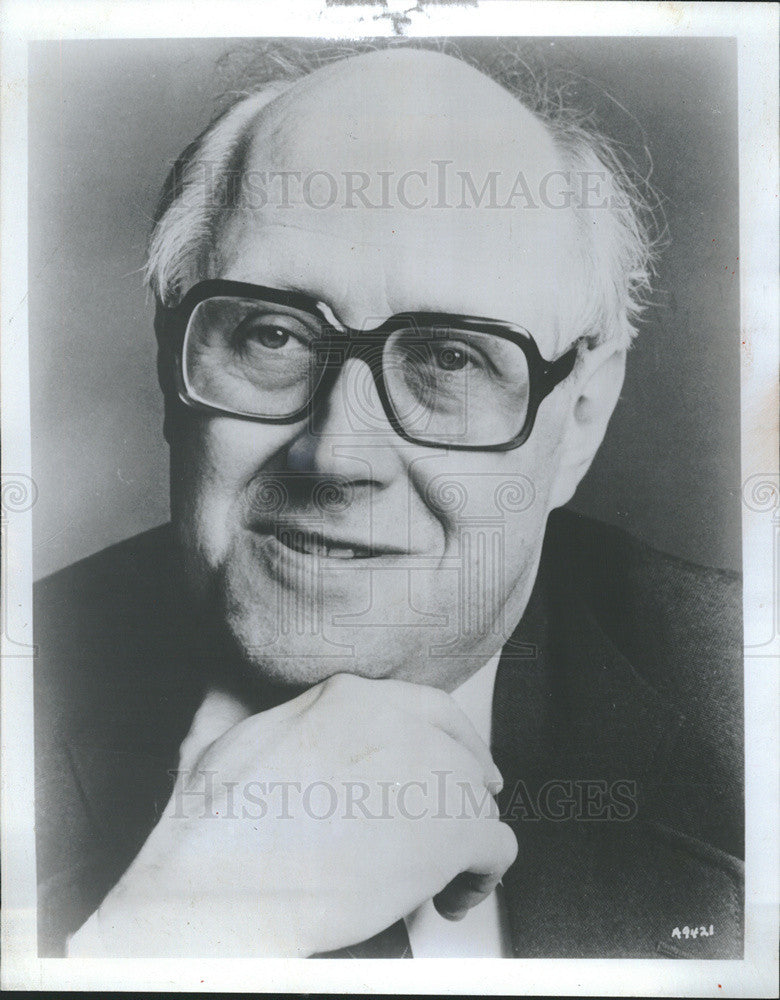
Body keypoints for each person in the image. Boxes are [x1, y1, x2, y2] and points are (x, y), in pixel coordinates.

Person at [34, 45, 743, 959]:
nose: (336, 453)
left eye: (450, 357)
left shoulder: (743, 704)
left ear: (580, 423)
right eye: (274, 334)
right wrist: (173, 939)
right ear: (173, 363)